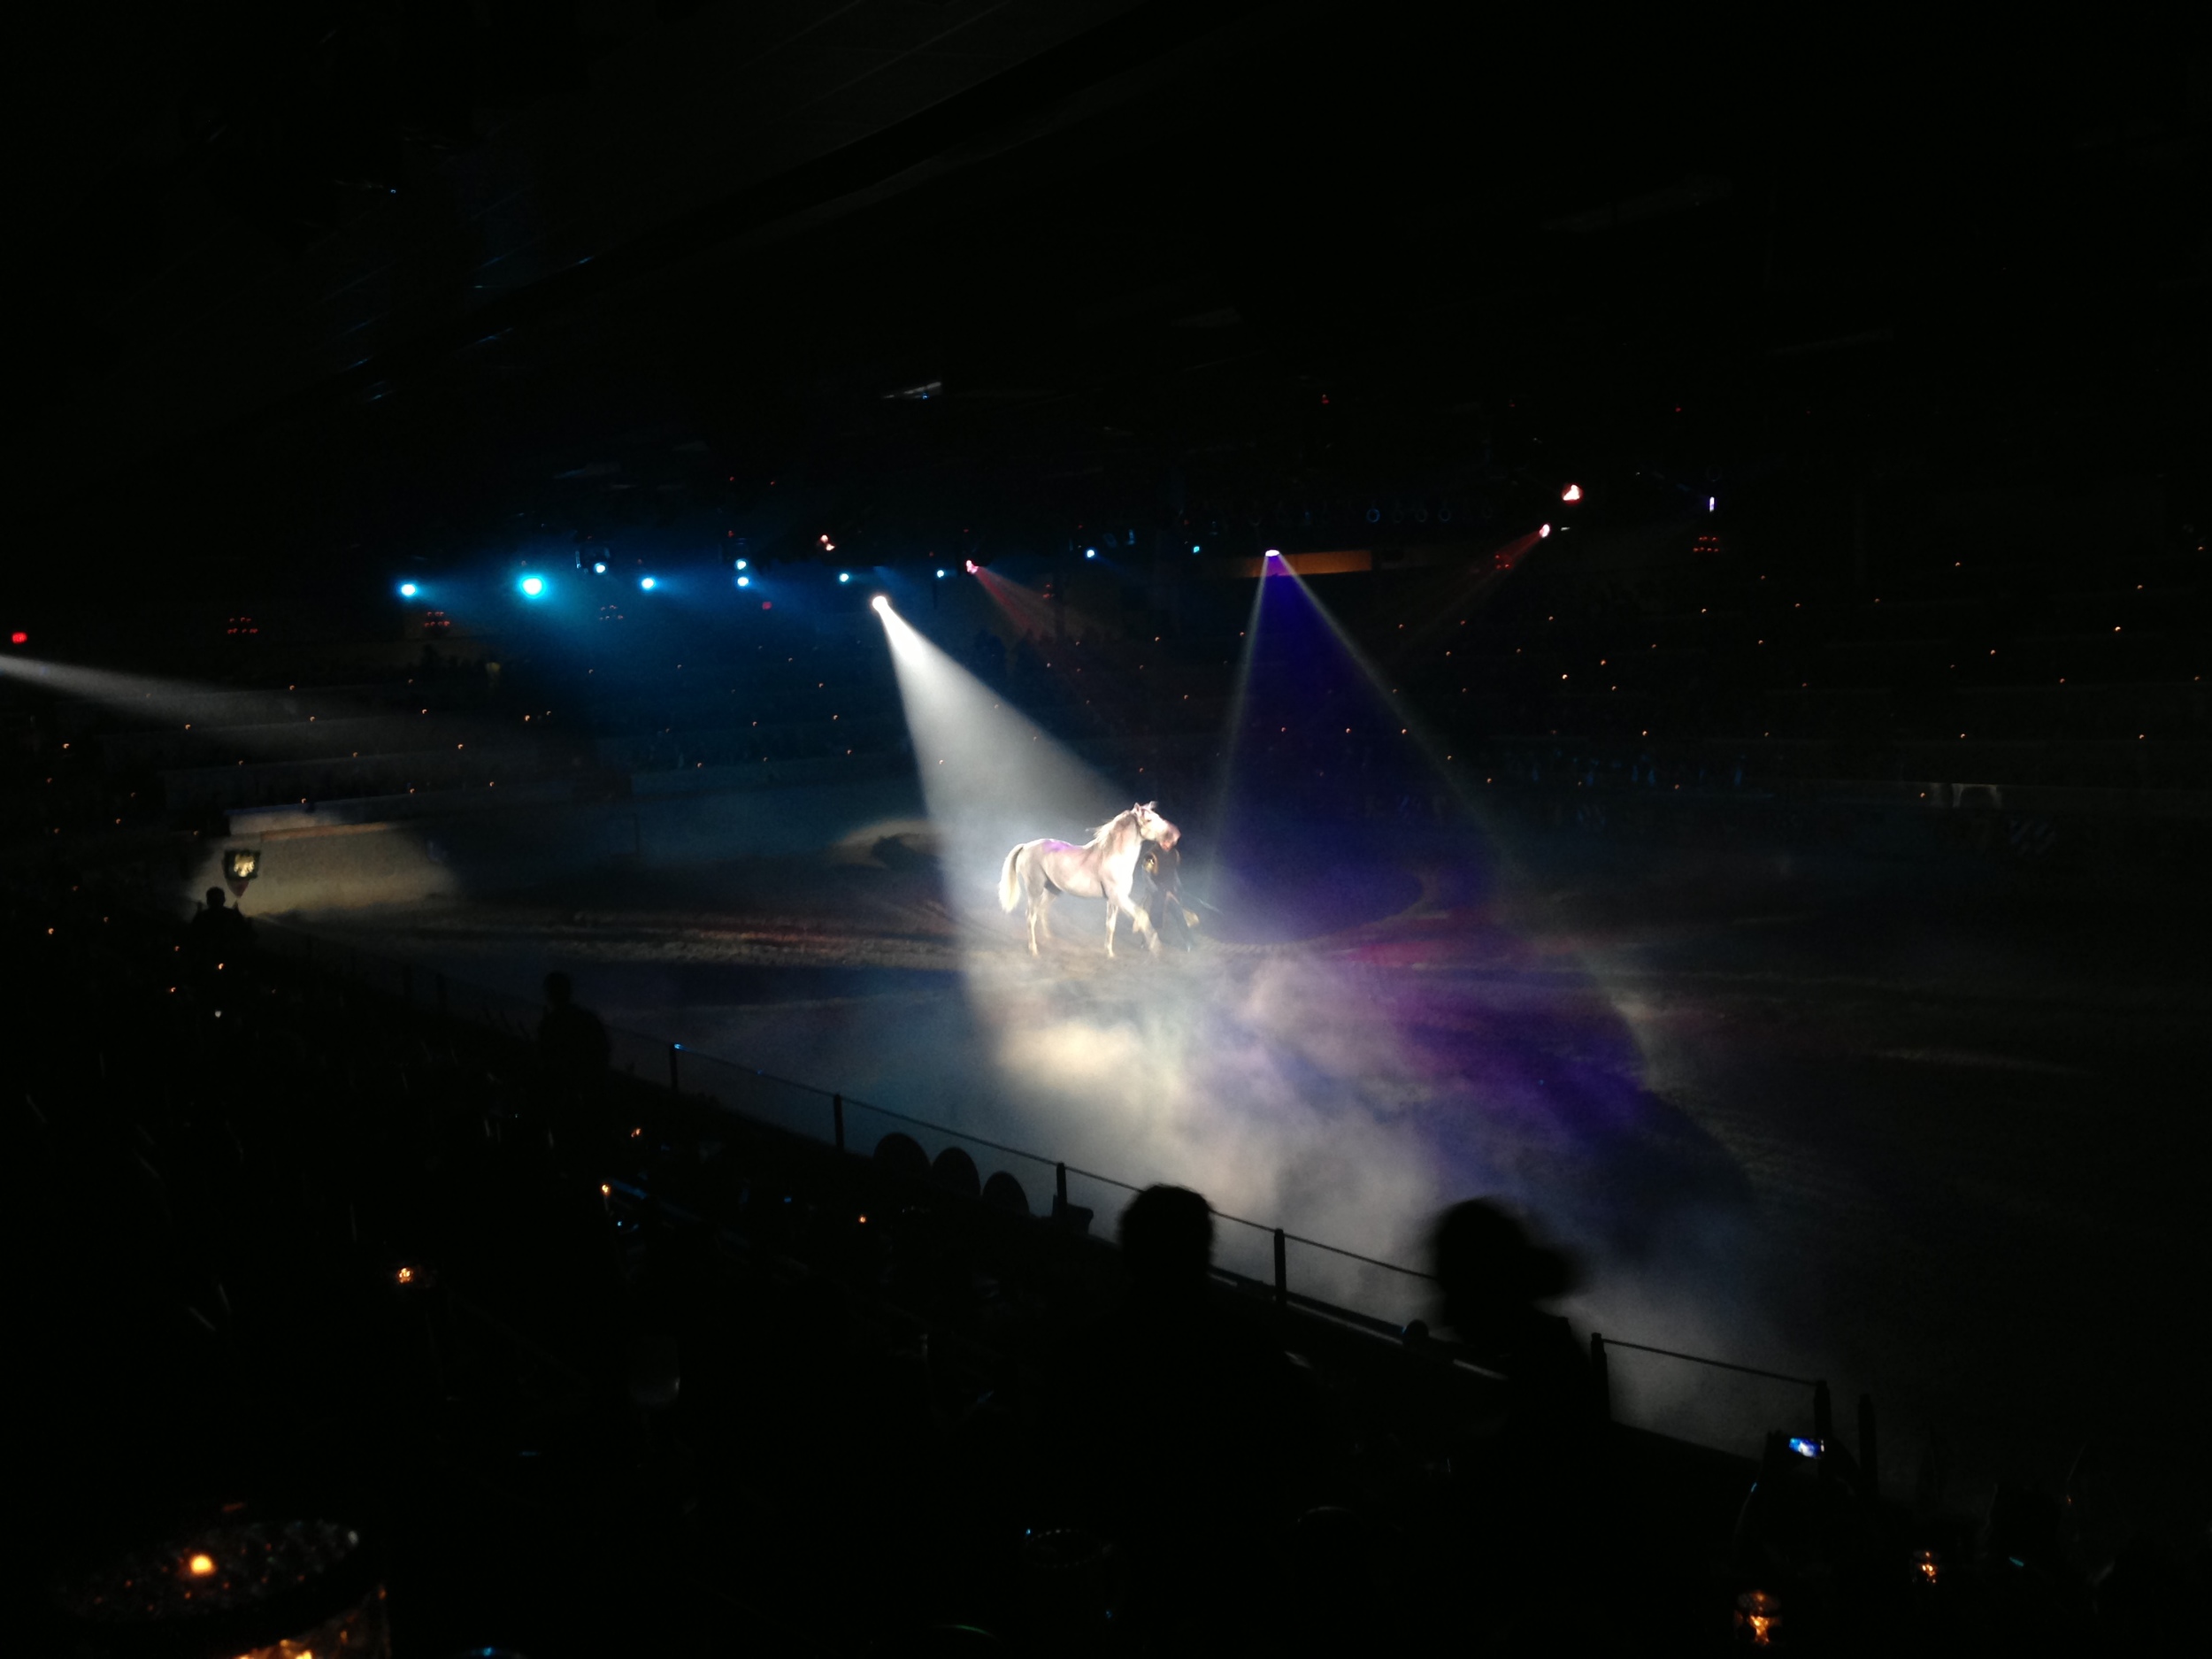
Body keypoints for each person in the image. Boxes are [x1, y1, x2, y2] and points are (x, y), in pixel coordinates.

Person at [537, 972, 611, 1150]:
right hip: (587, 1097)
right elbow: (603, 1050)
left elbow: (544, 1059)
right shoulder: (587, 1020)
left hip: (564, 1097)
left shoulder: (550, 1024)